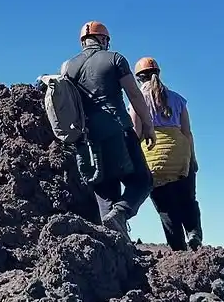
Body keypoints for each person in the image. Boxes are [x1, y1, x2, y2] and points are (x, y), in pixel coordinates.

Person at [61, 22, 155, 239]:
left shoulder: (67, 67)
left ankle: (116, 250)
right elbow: (134, 93)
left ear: (83, 41)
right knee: (142, 180)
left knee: (105, 192)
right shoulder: (115, 59)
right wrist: (148, 125)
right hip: (118, 129)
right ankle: (121, 212)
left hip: (87, 140)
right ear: (103, 39)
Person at [132, 57, 203, 250]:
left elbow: (136, 133)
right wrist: (192, 159)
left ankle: (179, 249)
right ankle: (194, 233)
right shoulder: (178, 99)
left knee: (165, 207)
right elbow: (187, 132)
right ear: (158, 74)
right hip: (181, 155)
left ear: (138, 79)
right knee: (188, 198)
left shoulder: (138, 101)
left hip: (154, 158)